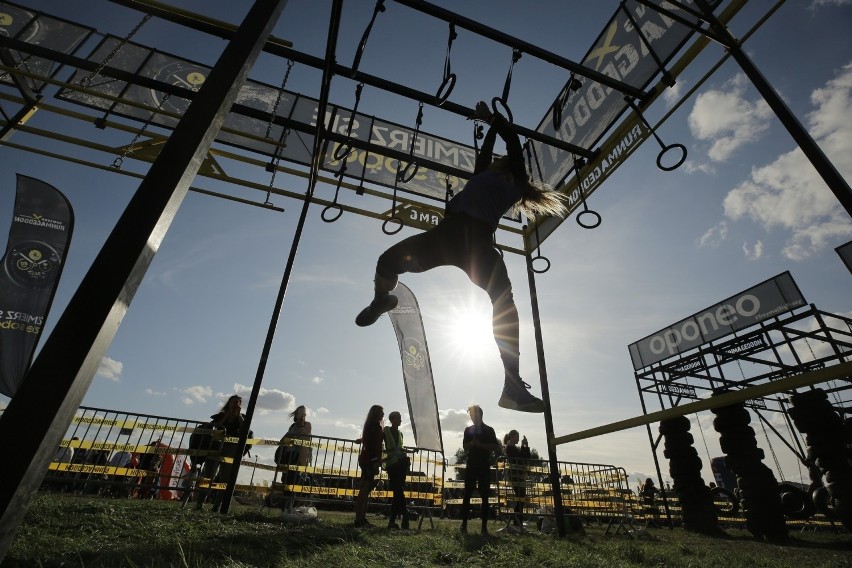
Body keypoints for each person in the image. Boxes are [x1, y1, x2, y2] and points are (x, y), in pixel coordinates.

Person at [355, 101, 566, 414]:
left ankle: (513, 383)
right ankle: (380, 300)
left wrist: (494, 119)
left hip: (477, 246)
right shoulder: (483, 173)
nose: (495, 160)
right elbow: (486, 152)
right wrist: (489, 126)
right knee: (386, 261)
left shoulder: (516, 180)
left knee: (504, 303)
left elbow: (513, 143)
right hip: (447, 236)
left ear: (508, 165)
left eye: (501, 160)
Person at [195, 394, 247, 512]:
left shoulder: (242, 417)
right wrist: (227, 415)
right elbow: (215, 427)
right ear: (228, 403)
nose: (235, 405)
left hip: (231, 449)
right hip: (215, 447)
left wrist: (238, 416)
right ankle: (199, 503)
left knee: (225, 479)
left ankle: (217, 506)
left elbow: (246, 430)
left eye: (238, 403)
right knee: (208, 476)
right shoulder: (220, 416)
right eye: (233, 402)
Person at [460, 405, 502, 535]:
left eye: (473, 415)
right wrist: (471, 444)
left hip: (484, 465)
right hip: (471, 464)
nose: (472, 418)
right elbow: (464, 447)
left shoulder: (489, 430)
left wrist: (480, 445)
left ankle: (484, 527)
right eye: (471, 416)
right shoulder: (468, 430)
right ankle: (464, 525)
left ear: (479, 415)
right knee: (467, 495)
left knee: (485, 496)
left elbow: (494, 447)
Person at [354, 404, 384, 527]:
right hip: (369, 460)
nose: (383, 415)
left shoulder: (370, 425)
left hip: (366, 459)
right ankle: (359, 519)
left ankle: (361, 518)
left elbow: (368, 440)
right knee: (364, 490)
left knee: (365, 491)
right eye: (381, 412)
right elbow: (372, 444)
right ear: (376, 413)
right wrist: (375, 461)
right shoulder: (374, 426)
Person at [383, 410, 411, 529]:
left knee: (397, 492)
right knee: (399, 491)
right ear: (392, 419)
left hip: (400, 464)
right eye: (398, 418)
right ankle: (405, 515)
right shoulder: (386, 431)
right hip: (392, 465)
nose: (400, 420)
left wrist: (409, 451)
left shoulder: (400, 434)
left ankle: (392, 521)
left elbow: (400, 448)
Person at [277, 405, 312, 489]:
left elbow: (304, 438)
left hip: (301, 456)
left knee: (297, 478)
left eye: (304, 414)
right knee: (286, 478)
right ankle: (287, 499)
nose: (303, 416)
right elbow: (282, 441)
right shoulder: (292, 427)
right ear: (296, 414)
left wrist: (300, 425)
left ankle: (294, 498)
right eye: (301, 414)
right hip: (289, 456)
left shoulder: (307, 425)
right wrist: (293, 430)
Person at [503, 429, 530, 529]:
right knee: (520, 498)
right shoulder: (509, 448)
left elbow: (527, 457)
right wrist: (523, 446)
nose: (518, 439)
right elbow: (520, 457)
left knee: (521, 499)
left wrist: (525, 446)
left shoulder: (515, 447)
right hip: (515, 476)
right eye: (517, 437)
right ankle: (517, 522)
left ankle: (517, 522)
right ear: (512, 437)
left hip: (520, 475)